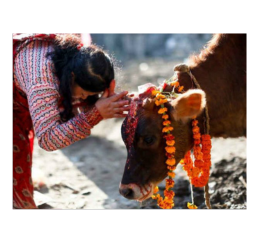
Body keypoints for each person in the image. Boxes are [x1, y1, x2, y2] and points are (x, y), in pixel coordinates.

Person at [12, 33, 130, 209]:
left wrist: (112, 101)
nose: (83, 99)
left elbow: (79, 101)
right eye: (83, 94)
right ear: (72, 76)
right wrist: (95, 115)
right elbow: (48, 138)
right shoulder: (42, 81)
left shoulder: (76, 56)